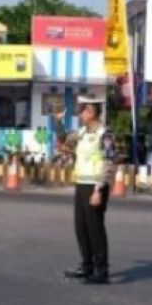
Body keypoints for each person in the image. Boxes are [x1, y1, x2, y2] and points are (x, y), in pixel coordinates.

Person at [53, 95, 116, 284]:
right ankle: (87, 266)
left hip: (95, 187)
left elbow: (108, 161)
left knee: (95, 229)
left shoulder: (105, 134)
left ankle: (101, 271)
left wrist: (98, 189)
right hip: (81, 185)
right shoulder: (81, 132)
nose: (79, 113)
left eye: (82, 110)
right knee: (81, 228)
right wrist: (58, 122)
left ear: (92, 112)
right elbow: (64, 140)